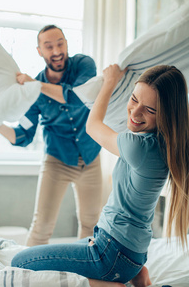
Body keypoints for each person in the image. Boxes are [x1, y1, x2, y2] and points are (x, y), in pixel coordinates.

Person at [11, 64, 189, 287]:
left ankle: (111, 284)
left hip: (112, 253)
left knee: (20, 261)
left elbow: (93, 126)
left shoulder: (139, 147)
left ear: (167, 114)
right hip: (130, 251)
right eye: (134, 99)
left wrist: (109, 82)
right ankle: (137, 275)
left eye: (150, 110)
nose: (135, 113)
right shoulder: (167, 143)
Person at [0, 24, 103, 246]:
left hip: (91, 158)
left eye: (60, 43)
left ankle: (86, 275)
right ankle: (27, 275)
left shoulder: (84, 65)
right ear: (39, 51)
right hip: (57, 160)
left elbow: (76, 97)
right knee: (41, 227)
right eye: (48, 46)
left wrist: (36, 85)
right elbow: (22, 136)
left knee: (91, 224)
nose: (56, 51)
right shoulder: (33, 91)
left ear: (66, 43)